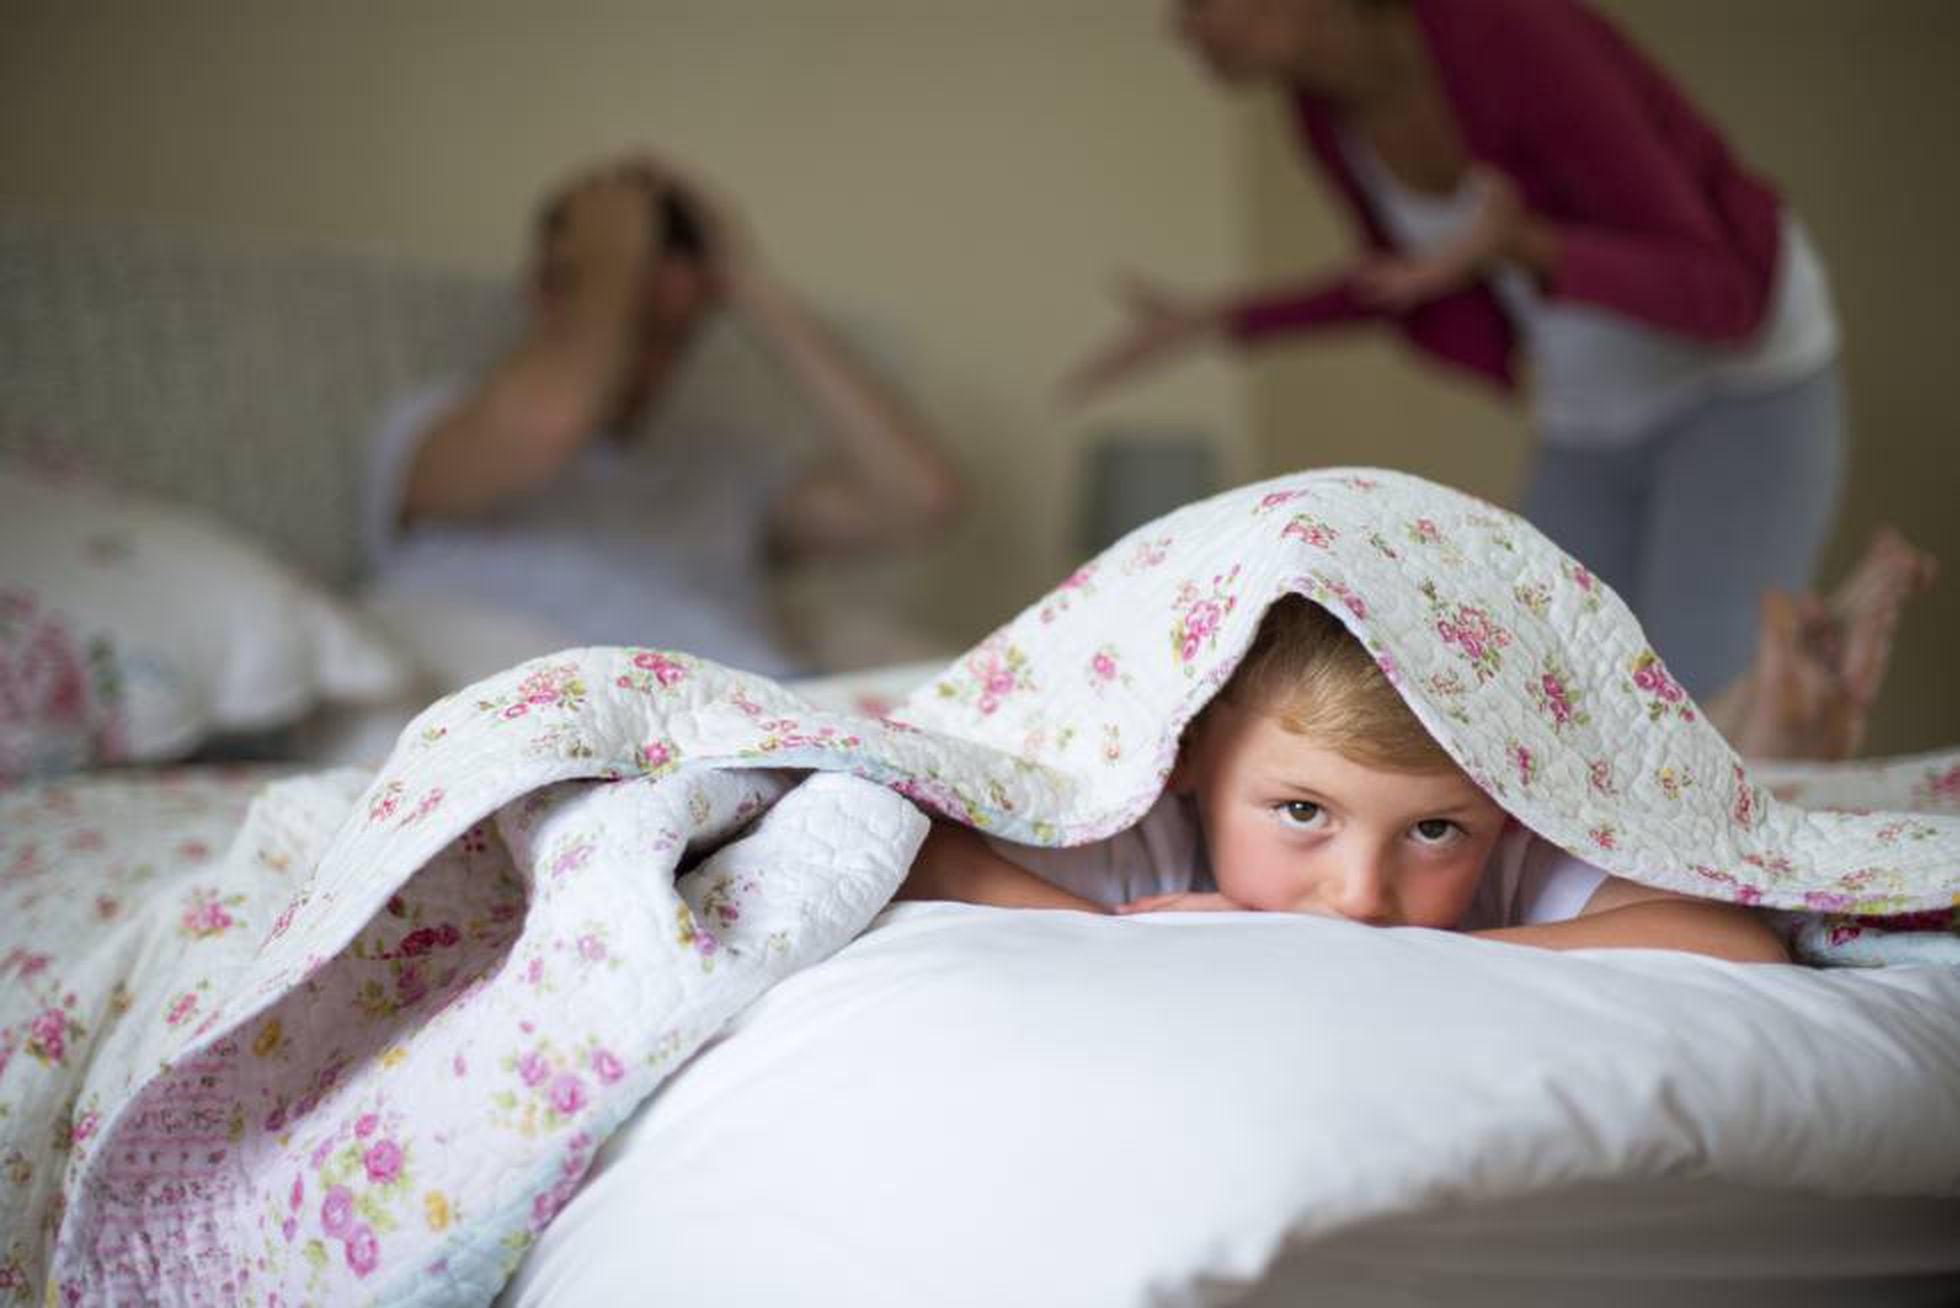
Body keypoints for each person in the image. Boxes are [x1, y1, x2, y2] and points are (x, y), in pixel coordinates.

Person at [1059, 0, 1845, 698]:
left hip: (1740, 382)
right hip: (1590, 411)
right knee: (1540, 684)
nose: (1179, 28)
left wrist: (1529, 246)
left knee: (1705, 690)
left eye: (1197, 3)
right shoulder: (1320, 111)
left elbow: (1723, 291)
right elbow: (1403, 282)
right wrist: (1219, 321)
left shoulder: (1514, 30)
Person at [896, 530, 1936, 964]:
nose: (1358, 896)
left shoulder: (1512, 819)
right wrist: (1124, 935)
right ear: (1191, 759)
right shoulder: (1143, 818)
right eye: (1303, 812)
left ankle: (1782, 725)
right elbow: (926, 844)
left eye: (1433, 830)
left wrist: (1464, 953)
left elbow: (1733, 939)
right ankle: (1783, 718)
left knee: (1720, 793)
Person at [362, 154, 963, 681]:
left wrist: (750, 282)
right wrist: (616, 257)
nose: (643, 356)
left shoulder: (720, 467)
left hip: (780, 724)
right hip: (614, 750)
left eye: (673, 334)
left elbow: (920, 497)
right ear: (545, 290)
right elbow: (551, 421)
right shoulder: (433, 429)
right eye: (633, 318)